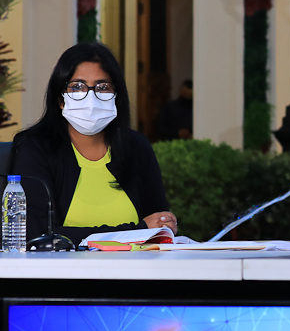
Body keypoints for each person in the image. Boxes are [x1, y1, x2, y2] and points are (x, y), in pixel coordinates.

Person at [10, 42, 177, 246]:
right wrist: (136, 231)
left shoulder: (136, 147)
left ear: (116, 96)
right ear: (60, 99)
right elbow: (35, 235)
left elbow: (160, 228)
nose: (90, 97)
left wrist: (164, 225)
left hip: (134, 274)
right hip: (60, 275)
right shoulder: (36, 148)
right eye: (77, 87)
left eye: (103, 87)